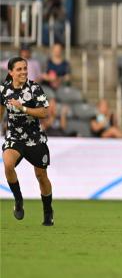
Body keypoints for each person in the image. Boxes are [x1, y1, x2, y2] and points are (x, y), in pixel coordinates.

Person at [1, 56, 54, 226]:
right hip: (15, 137)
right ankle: (18, 200)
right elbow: (1, 109)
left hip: (35, 138)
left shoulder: (34, 88)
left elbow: (45, 112)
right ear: (11, 72)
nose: (23, 72)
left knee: (41, 175)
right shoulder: (4, 89)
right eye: (19, 69)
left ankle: (48, 211)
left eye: (25, 68)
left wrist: (22, 107)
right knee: (8, 164)